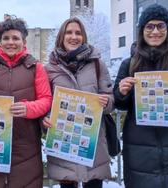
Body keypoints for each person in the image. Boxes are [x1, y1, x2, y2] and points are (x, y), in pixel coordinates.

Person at [0, 18, 52, 188]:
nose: (11, 42)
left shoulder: (36, 67)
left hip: (27, 143)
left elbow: (46, 100)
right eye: (6, 38)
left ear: (24, 41)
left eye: (15, 38)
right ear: (0, 41)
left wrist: (28, 108)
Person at [113, 4, 168, 188]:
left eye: (161, 26)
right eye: (149, 26)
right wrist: (121, 91)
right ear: (142, 30)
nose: (155, 31)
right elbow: (119, 103)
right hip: (140, 151)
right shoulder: (129, 64)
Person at [43, 17, 114, 188]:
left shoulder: (98, 65)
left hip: (93, 144)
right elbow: (45, 102)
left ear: (84, 37)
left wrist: (107, 102)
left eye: (78, 33)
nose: (73, 37)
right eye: (69, 32)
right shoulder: (49, 69)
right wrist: (44, 119)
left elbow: (111, 97)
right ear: (61, 36)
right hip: (64, 143)